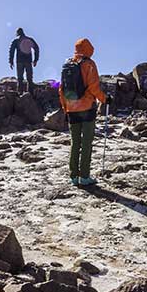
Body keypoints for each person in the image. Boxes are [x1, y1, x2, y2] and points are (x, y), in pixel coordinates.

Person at [59, 38, 108, 187]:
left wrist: (65, 108)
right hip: (87, 109)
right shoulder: (89, 64)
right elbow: (93, 87)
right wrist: (104, 99)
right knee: (86, 143)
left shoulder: (68, 65)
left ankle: (73, 176)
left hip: (71, 110)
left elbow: (61, 89)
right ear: (88, 49)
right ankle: (84, 176)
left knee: (75, 143)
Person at [7, 28, 41, 94]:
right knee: (29, 78)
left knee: (20, 78)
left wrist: (11, 61)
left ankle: (20, 92)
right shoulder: (29, 39)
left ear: (17, 33)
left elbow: (11, 51)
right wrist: (36, 59)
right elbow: (36, 48)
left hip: (19, 61)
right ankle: (30, 93)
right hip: (28, 60)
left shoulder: (16, 41)